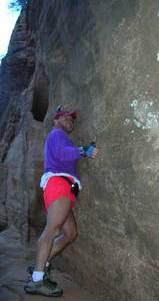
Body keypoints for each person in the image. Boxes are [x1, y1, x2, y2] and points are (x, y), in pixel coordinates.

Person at [24, 109, 99, 297]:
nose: (71, 121)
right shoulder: (56, 134)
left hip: (64, 188)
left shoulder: (61, 136)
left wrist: (79, 150)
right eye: (66, 117)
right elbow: (61, 153)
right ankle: (37, 280)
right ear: (55, 120)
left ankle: (40, 264)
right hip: (59, 185)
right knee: (53, 230)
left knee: (70, 233)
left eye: (73, 120)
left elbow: (64, 153)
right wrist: (82, 150)